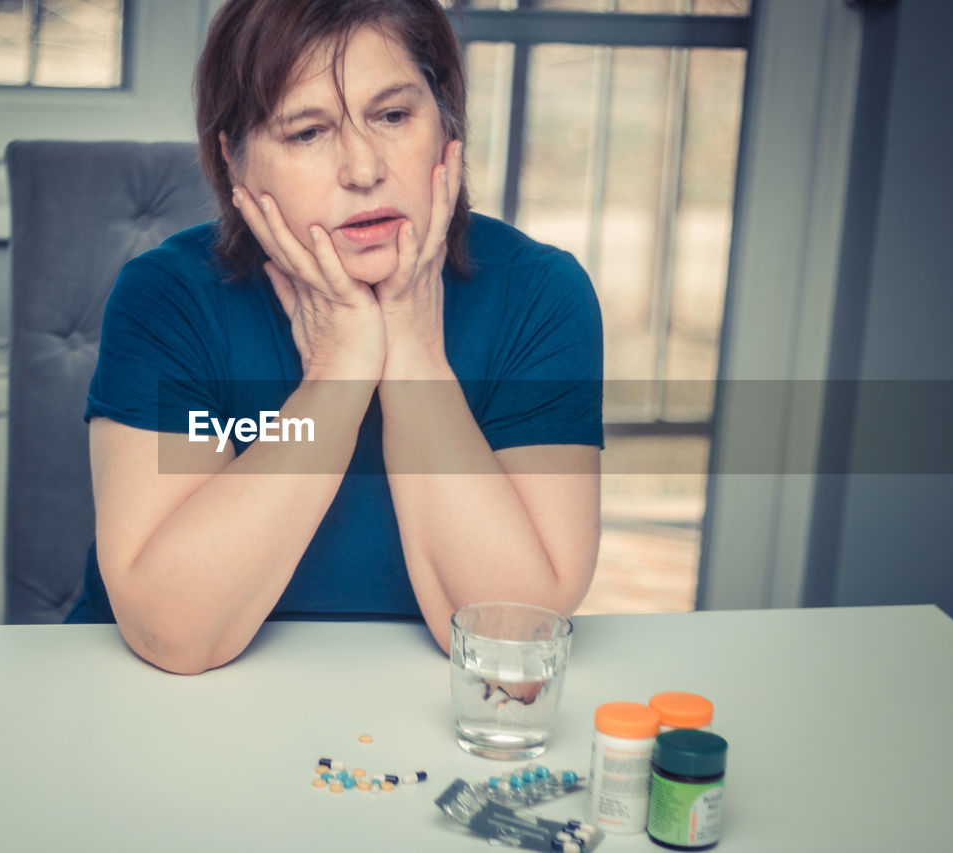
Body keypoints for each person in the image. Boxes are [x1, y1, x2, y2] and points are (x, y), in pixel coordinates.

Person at [67, 0, 604, 675]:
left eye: (393, 115)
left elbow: (514, 636)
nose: (362, 168)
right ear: (235, 159)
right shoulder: (169, 297)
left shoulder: (539, 295)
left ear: (447, 123)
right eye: (307, 132)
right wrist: (336, 376)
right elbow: (174, 629)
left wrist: (412, 351)